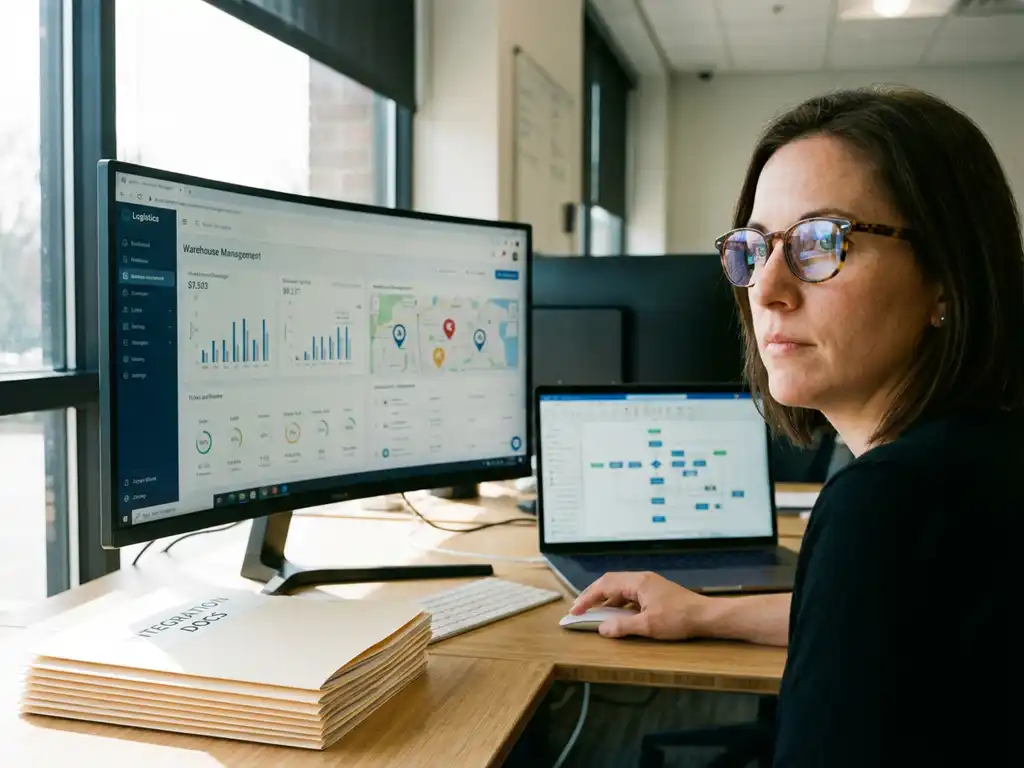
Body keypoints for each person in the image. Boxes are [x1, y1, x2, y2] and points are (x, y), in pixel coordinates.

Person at [569, 86, 1018, 766]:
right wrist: (703, 612)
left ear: (946, 280)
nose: (768, 289)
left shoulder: (891, 501)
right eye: (755, 248)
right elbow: (878, 618)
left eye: (820, 242)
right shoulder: (980, 458)